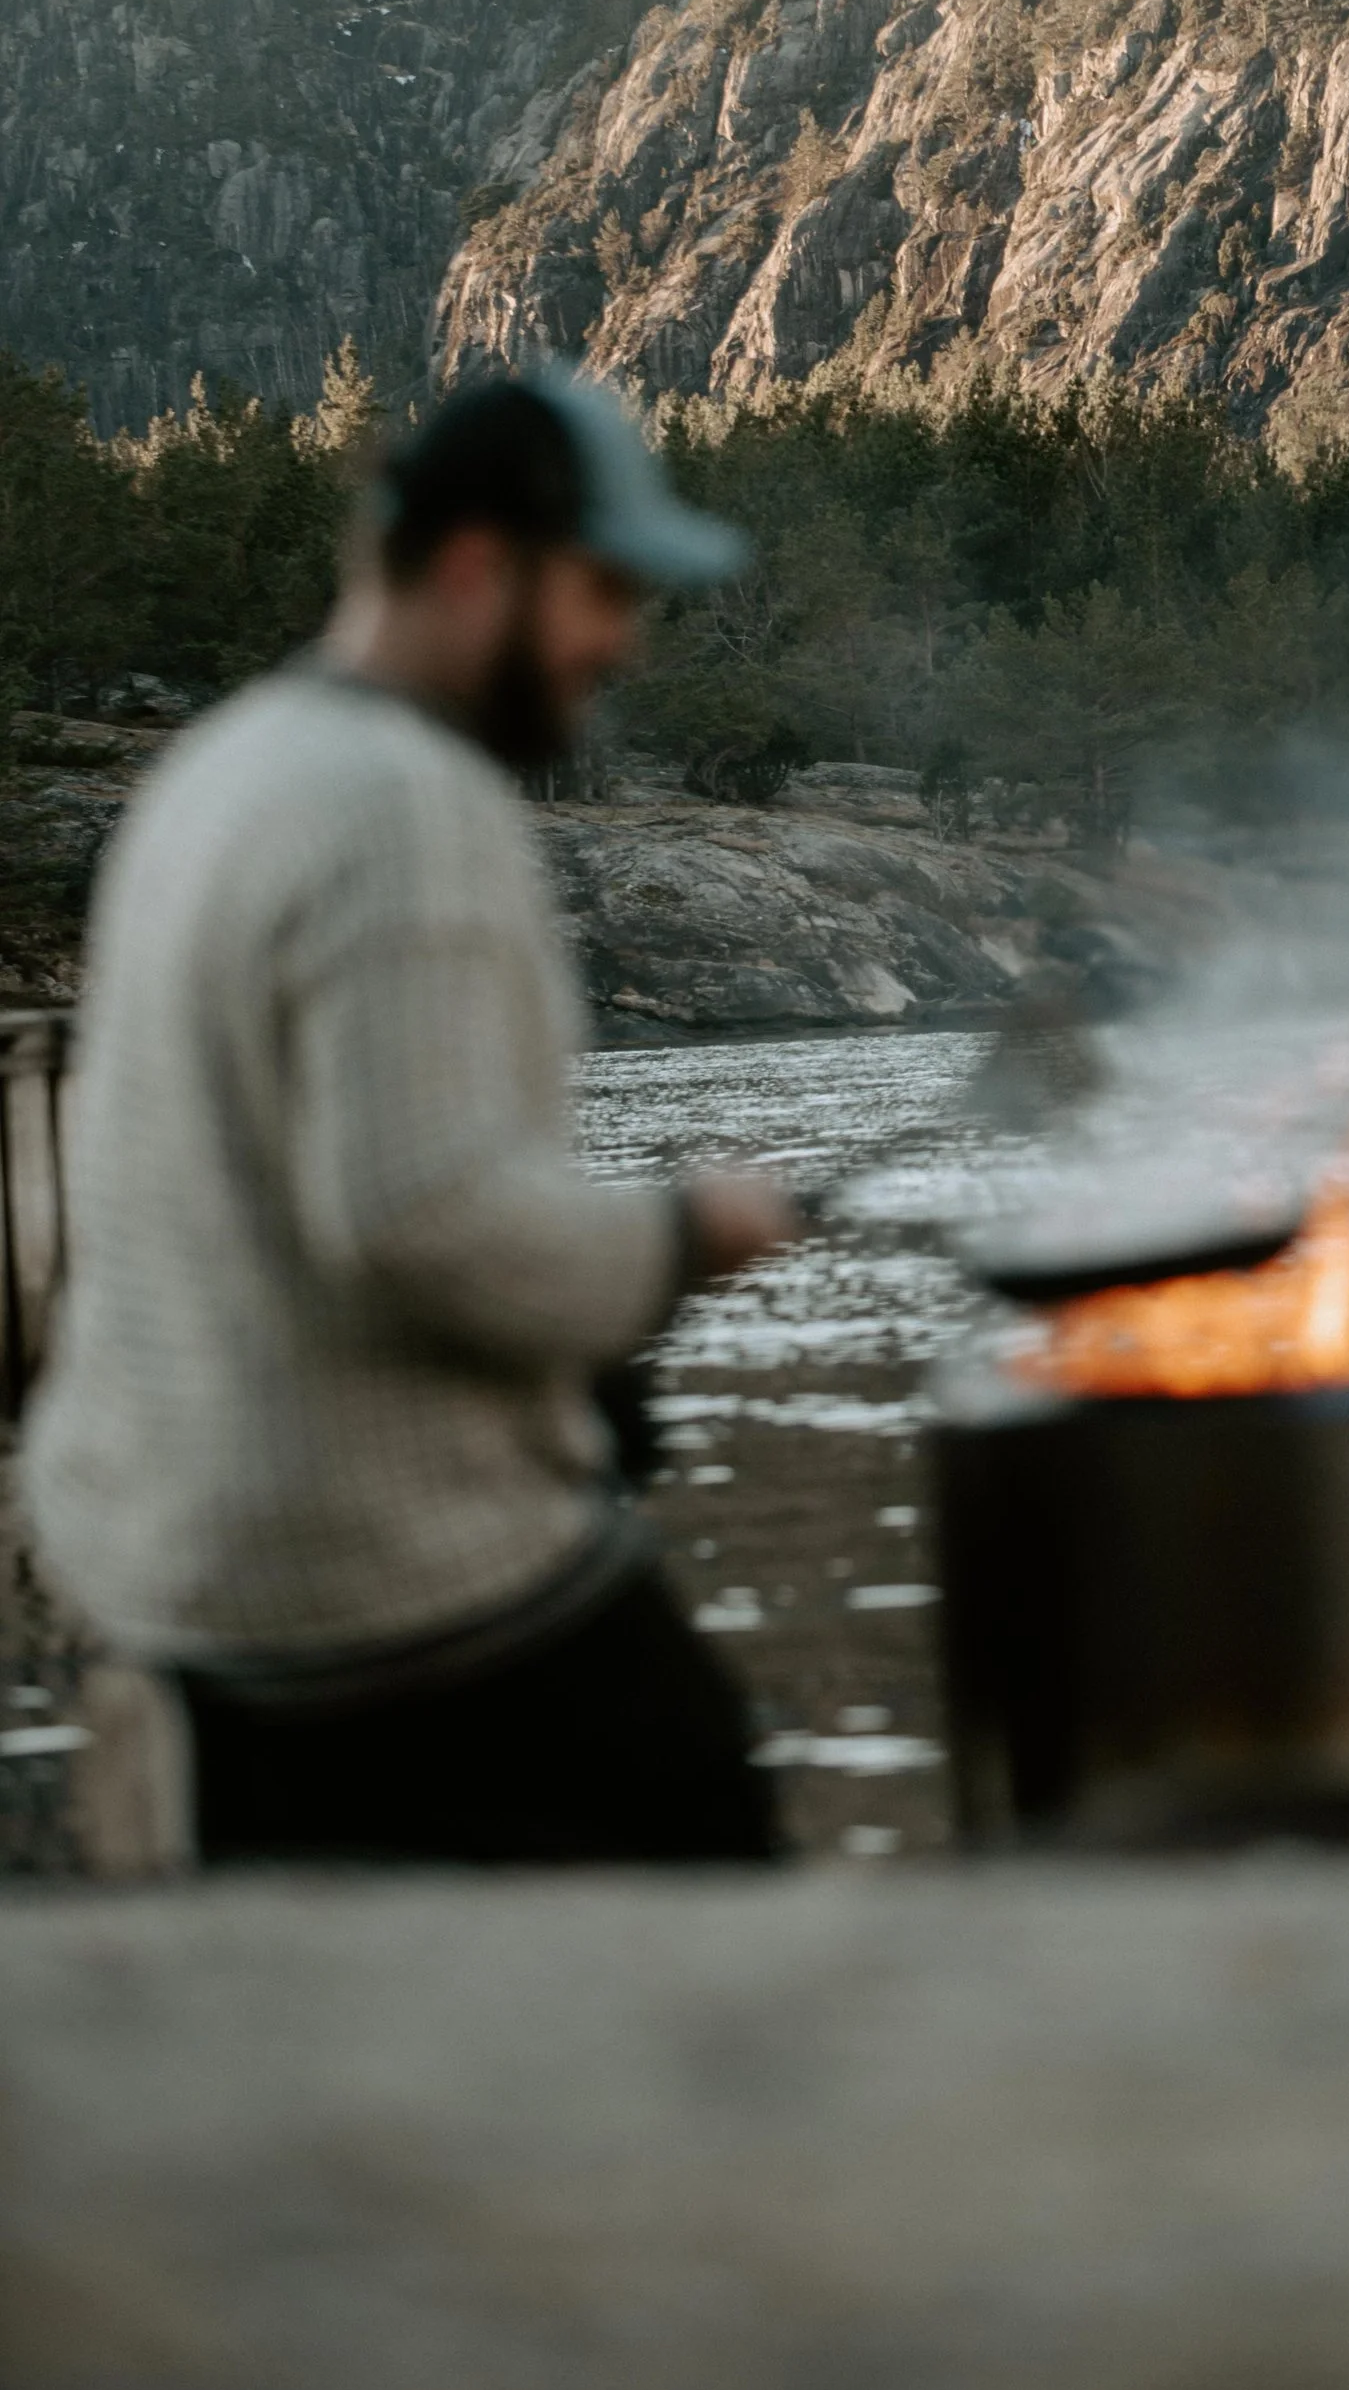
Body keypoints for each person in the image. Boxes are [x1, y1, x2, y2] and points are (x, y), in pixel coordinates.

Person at [25, 367, 804, 1870]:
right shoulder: (401, 804)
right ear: (475, 566)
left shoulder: (221, 768)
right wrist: (681, 1233)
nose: (624, 645)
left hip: (182, 1587)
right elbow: (421, 1212)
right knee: (709, 1814)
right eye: (605, 591)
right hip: (371, 1584)